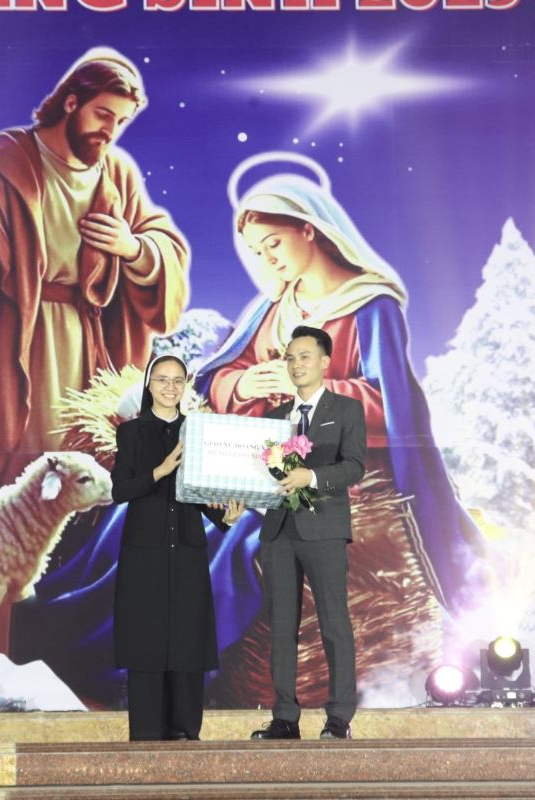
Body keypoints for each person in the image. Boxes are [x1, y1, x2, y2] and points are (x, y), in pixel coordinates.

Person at [0, 48, 190, 491]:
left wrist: (132, 248)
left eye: (121, 122)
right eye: (103, 115)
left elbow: (163, 244)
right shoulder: (13, 157)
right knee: (19, 460)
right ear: (71, 102)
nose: (110, 131)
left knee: (84, 461)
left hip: (87, 346)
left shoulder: (117, 173)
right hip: (17, 340)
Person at [196, 168, 479, 615]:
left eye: (274, 243)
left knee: (233, 539)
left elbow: (392, 407)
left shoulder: (371, 306)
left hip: (334, 469)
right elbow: (220, 375)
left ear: (308, 228)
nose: (268, 259)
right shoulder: (274, 307)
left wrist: (310, 388)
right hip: (265, 457)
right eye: (257, 251)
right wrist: (243, 383)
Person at [110, 353, 243, 740]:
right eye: (162, 380)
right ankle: (147, 732)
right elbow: (121, 490)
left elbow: (200, 493)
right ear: (149, 385)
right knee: (146, 641)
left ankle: (186, 731)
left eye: (177, 380)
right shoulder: (131, 433)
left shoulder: (198, 431)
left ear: (185, 386)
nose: (170, 387)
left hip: (187, 548)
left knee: (187, 640)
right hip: (144, 551)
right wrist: (161, 470)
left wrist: (226, 518)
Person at [248, 326, 364, 741]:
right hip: (278, 529)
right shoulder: (273, 418)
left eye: (304, 356)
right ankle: (284, 717)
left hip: (325, 528)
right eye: (290, 357)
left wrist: (310, 476)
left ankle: (339, 718)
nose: (296, 364)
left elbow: (354, 466)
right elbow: (258, 475)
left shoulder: (346, 410)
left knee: (334, 623)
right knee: (281, 627)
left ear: (324, 361)